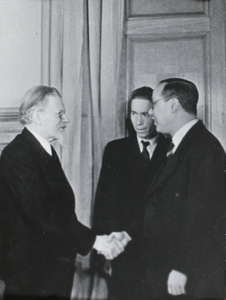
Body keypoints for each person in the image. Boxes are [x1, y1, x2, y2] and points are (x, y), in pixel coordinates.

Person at [0, 86, 130, 300]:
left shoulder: (43, 151)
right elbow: (43, 213)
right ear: (37, 116)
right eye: (59, 113)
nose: (66, 119)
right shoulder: (18, 154)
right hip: (30, 278)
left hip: (49, 273)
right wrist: (95, 241)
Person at [143, 78, 226, 300]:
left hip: (186, 277)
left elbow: (204, 217)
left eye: (154, 104)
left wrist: (182, 267)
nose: (150, 112)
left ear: (173, 105)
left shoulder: (205, 150)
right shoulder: (175, 146)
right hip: (167, 269)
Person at [92, 86, 170, 300]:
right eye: (134, 114)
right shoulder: (115, 150)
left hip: (160, 256)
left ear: (155, 114)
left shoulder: (173, 149)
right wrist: (103, 254)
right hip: (123, 257)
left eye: (145, 114)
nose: (139, 122)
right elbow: (103, 205)